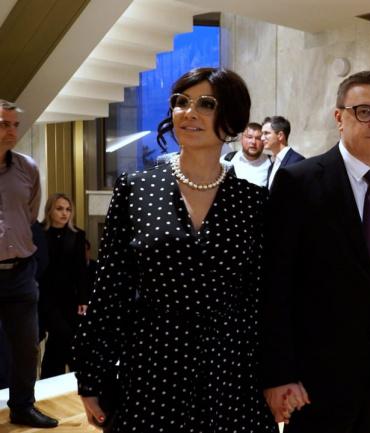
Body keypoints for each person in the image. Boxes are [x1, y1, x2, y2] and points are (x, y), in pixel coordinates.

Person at [72, 67, 278, 432]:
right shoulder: (136, 188)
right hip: (152, 367)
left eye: (206, 104)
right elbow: (110, 289)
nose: (189, 112)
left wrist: (277, 375)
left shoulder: (253, 201)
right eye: (181, 102)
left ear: (231, 118)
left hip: (230, 371)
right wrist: (92, 376)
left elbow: (262, 299)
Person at [262, 70, 370, 433]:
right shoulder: (300, 182)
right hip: (314, 376)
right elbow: (274, 285)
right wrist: (279, 373)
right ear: (339, 117)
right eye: (364, 111)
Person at [0, 99, 58, 428]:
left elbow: (30, 214)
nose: (11, 131)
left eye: (14, 125)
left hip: (21, 272)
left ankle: (22, 407)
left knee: (27, 347)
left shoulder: (28, 168)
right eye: (3, 124)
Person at [38, 193, 88, 379]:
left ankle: (52, 379)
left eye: (68, 209)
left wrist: (83, 299)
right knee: (63, 336)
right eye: (59, 209)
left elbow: (81, 270)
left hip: (70, 298)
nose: (64, 213)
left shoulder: (77, 235)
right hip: (45, 296)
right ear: (49, 210)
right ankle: (76, 376)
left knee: (60, 341)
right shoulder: (39, 233)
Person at [222, 122, 271, 187]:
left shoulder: (272, 164)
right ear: (241, 139)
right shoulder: (226, 160)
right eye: (249, 137)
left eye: (258, 138)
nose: (253, 142)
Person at [262, 115, 304, 189]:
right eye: (262, 134)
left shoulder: (297, 161)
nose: (262, 138)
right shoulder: (272, 165)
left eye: (266, 133)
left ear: (280, 135)